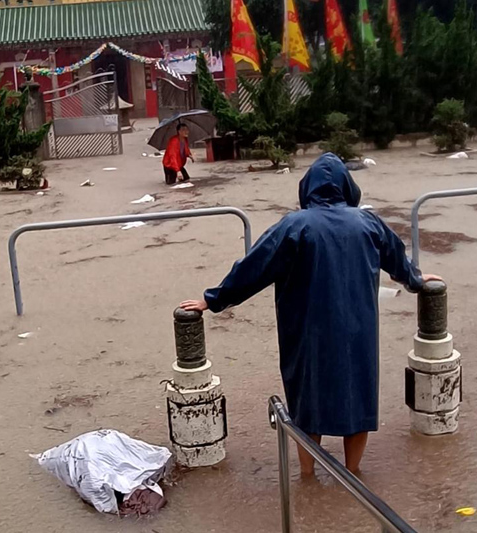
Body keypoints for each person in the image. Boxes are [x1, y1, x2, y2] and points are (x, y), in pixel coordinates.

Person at [180, 152, 439, 476]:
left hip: (307, 332)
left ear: (307, 188)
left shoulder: (294, 226)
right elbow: (397, 259)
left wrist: (212, 300)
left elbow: (253, 268)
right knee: (356, 398)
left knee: (308, 402)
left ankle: (307, 477)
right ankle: (352, 473)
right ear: (348, 186)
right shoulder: (367, 223)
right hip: (358, 332)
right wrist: (416, 279)